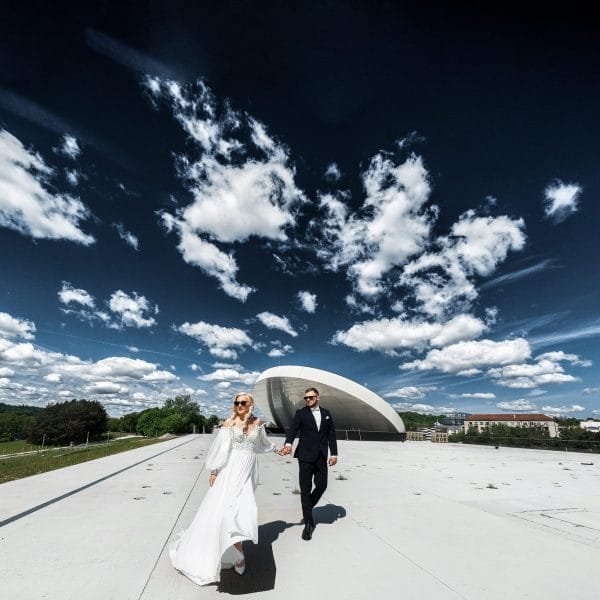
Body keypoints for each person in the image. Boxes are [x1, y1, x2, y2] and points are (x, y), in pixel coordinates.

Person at [169, 392, 275, 585]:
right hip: (230, 471)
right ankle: (238, 555)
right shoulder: (229, 423)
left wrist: (278, 449)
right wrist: (214, 471)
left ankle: (235, 549)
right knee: (227, 511)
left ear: (250, 404)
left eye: (243, 402)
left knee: (243, 510)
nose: (239, 405)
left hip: (249, 471)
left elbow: (262, 444)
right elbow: (220, 449)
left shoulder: (258, 422)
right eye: (236, 402)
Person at [279, 387, 337, 540]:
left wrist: (334, 454)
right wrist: (288, 444)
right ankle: (309, 524)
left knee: (322, 485)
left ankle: (307, 506)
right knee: (305, 489)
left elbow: (331, 434)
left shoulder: (326, 414)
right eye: (306, 398)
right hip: (305, 456)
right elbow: (293, 430)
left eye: (311, 397)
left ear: (317, 397)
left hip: (321, 456)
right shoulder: (301, 413)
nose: (308, 400)